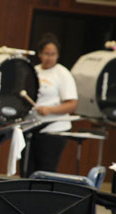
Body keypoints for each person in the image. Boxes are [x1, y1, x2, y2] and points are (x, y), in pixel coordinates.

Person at [21, 33, 78, 177]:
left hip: (52, 131)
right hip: (31, 127)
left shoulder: (62, 73)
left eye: (53, 54)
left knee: (45, 171)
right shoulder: (34, 71)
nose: (49, 57)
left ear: (58, 55)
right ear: (40, 54)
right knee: (27, 170)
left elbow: (72, 104)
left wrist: (50, 110)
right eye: (46, 54)